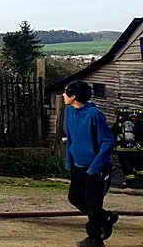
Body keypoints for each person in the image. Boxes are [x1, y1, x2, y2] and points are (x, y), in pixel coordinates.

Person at [63, 80, 118, 247]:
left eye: (66, 93)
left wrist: (95, 168)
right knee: (74, 197)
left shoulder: (94, 114)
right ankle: (105, 218)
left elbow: (108, 142)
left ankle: (95, 239)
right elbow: (71, 138)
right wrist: (69, 161)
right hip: (78, 166)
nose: (63, 95)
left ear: (73, 96)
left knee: (93, 203)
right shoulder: (69, 111)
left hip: (96, 169)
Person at [111, 107, 143, 188]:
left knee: (127, 167)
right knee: (138, 165)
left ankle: (131, 182)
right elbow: (140, 135)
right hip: (134, 149)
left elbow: (112, 135)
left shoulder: (118, 125)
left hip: (122, 149)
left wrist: (114, 146)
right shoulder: (135, 125)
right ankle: (139, 180)